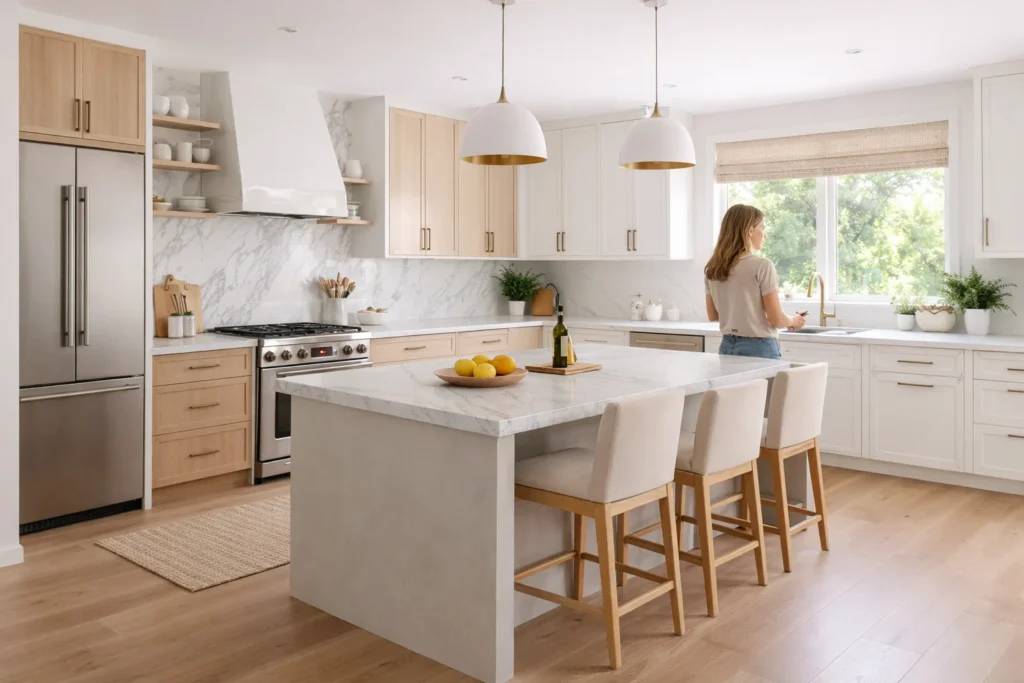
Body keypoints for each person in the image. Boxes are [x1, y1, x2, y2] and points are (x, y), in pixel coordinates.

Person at [704, 204, 806, 360]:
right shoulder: (762, 266)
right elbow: (776, 319)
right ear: (749, 231)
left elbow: (713, 315)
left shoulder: (713, 268)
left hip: (727, 347)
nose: (765, 235)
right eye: (762, 228)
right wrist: (793, 320)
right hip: (759, 349)